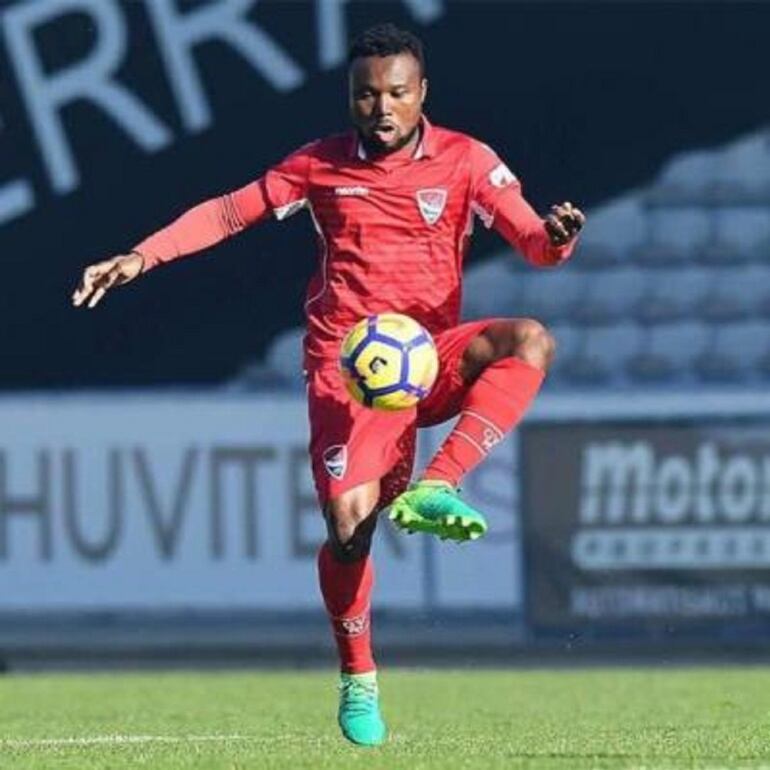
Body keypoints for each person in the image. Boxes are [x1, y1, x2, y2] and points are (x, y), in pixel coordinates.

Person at [72, 23, 585, 747]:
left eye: (397, 93)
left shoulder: (468, 160)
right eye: (366, 94)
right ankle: (358, 673)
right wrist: (140, 256)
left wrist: (558, 238)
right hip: (352, 372)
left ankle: (439, 483)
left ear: (422, 95)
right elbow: (229, 212)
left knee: (530, 340)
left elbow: (536, 243)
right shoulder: (318, 167)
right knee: (350, 528)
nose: (381, 107)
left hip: (430, 354)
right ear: (350, 97)